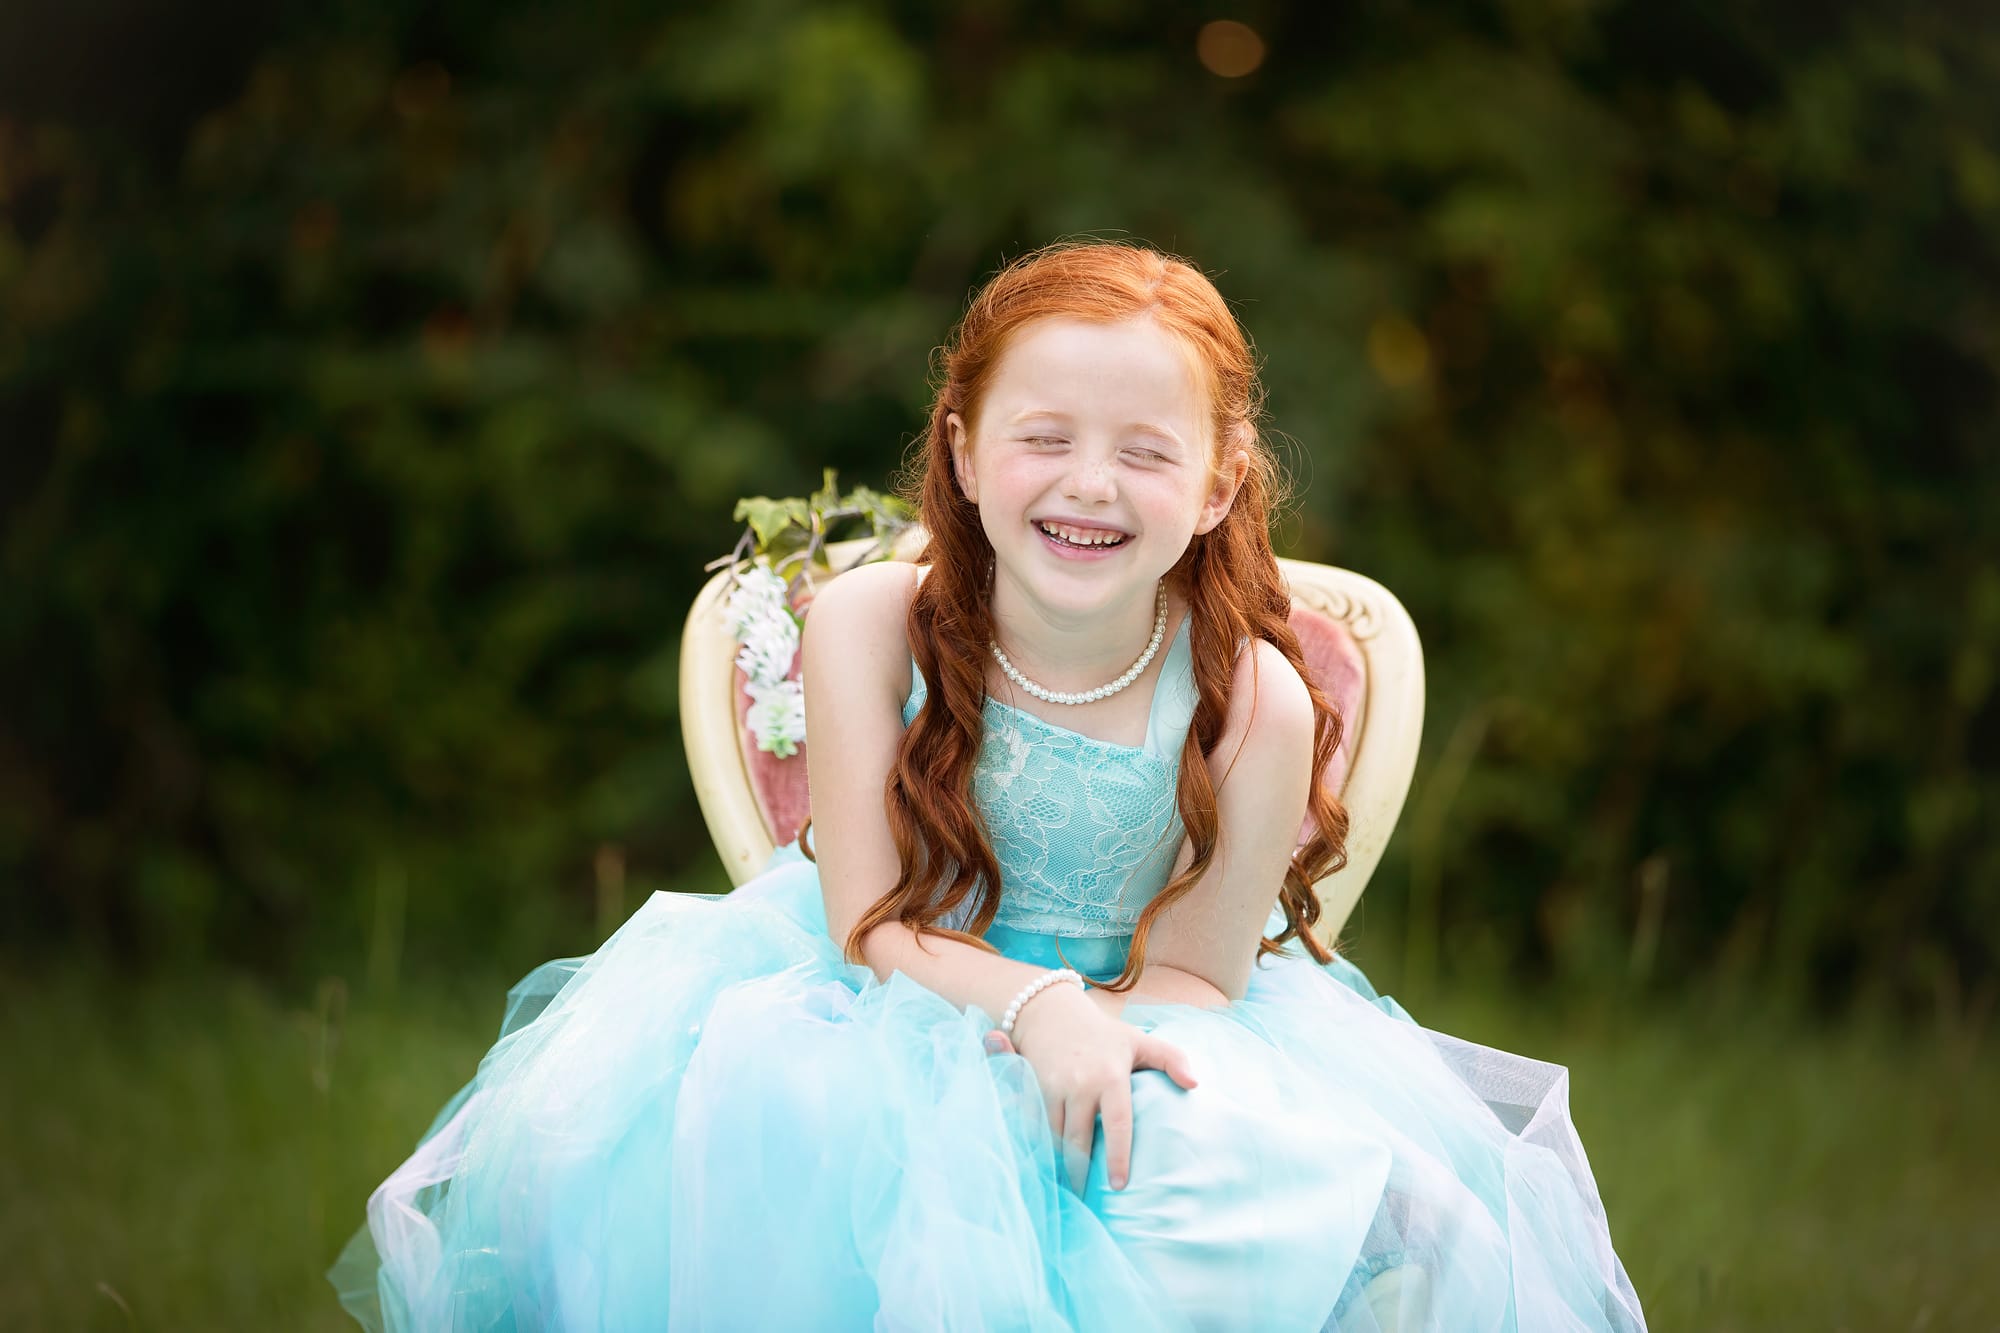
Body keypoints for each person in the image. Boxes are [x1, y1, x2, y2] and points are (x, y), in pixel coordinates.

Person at [330, 241, 1647, 1331]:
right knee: (787, 1143)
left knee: (1371, 1200)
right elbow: (864, 923)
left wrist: (1088, 1039)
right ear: (962, 453)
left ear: (1215, 485)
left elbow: (1199, 980)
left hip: (1140, 1020)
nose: (1088, 483)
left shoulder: (1254, 701)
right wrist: (1027, 1010)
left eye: (1145, 449)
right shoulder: (871, 628)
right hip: (872, 1008)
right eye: (1043, 437)